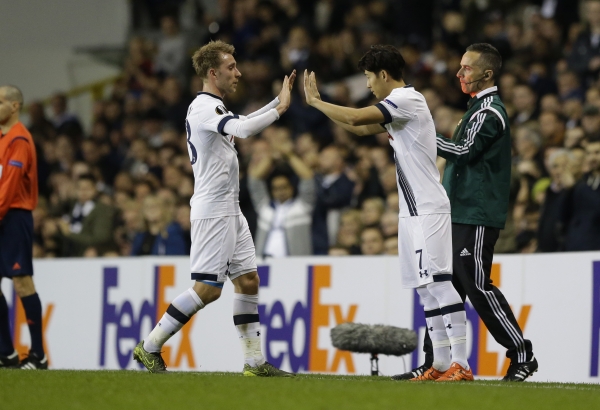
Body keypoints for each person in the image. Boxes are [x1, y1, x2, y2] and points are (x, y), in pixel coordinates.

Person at [304, 45, 473, 381]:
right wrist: (322, 107)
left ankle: (462, 364)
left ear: (383, 75)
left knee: (440, 283)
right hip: (411, 212)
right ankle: (440, 364)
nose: (367, 85)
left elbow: (355, 117)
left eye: (368, 77)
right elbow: (359, 128)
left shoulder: (408, 99)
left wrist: (316, 102)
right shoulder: (397, 109)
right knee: (425, 289)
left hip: (428, 207)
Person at [133, 40, 296, 377]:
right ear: (213, 73)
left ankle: (254, 362)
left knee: (249, 281)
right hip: (213, 209)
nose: (238, 73)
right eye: (231, 68)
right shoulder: (204, 108)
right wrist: (279, 109)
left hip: (230, 209)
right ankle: (148, 347)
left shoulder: (215, 107)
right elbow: (244, 129)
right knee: (207, 289)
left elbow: (243, 121)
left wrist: (277, 102)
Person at [403, 43, 537, 382]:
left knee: (476, 284)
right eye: (460, 67)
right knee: (445, 287)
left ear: (486, 74)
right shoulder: (476, 109)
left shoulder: (490, 113)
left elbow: (463, 150)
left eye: (466, 68)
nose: (460, 73)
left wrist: (421, 136)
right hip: (458, 211)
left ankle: (522, 354)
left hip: (476, 212)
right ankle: (438, 362)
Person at [0, 85, 47, 369]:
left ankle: (38, 354)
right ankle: (6, 354)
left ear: (14, 106)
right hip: (4, 214)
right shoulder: (3, 138)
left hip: (15, 217)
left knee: (22, 281)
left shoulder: (20, 139)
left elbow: (9, 187)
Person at [247, 137, 315, 257]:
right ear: (272, 191)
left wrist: (289, 155)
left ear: (291, 188)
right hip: (265, 266)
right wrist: (271, 157)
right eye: (276, 189)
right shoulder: (265, 208)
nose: (281, 192)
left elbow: (308, 179)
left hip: (294, 265)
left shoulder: (302, 207)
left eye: (284, 187)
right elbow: (254, 181)